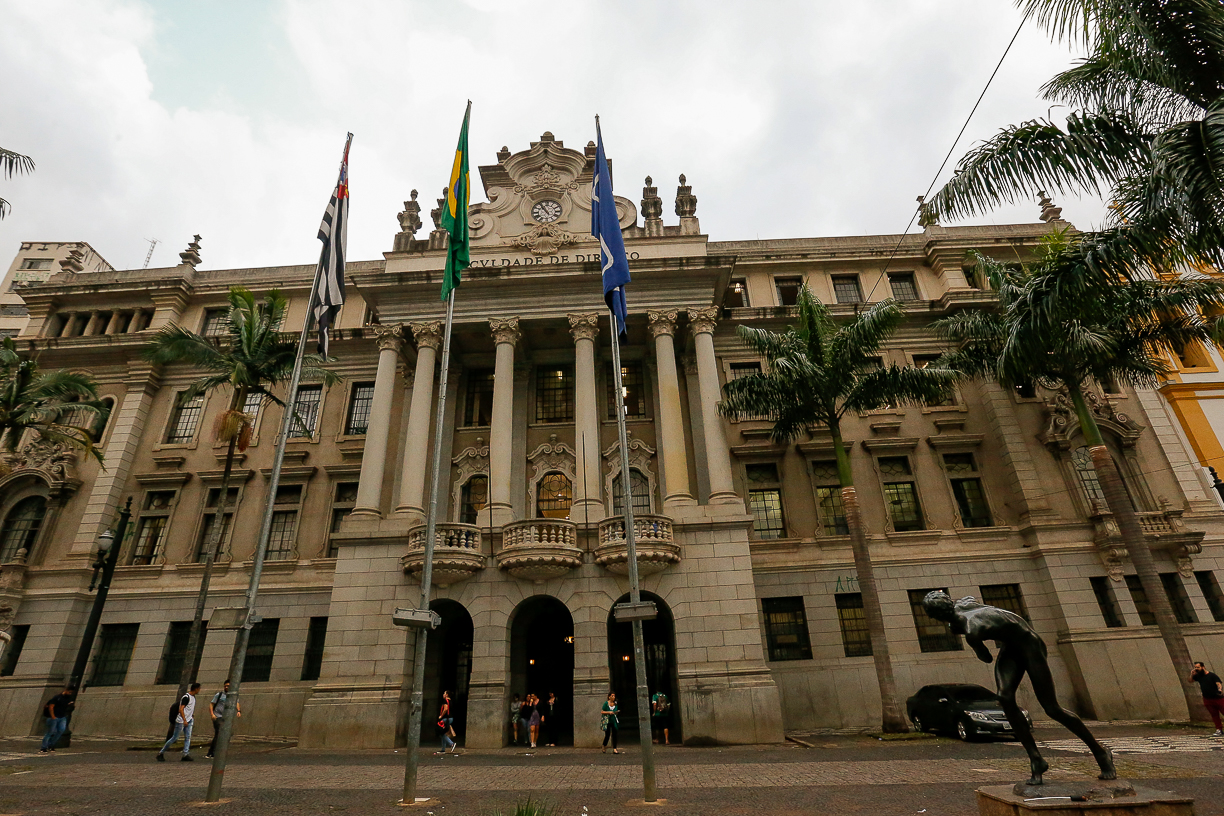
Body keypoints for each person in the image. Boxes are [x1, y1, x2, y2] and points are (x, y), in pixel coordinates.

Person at [923, 592, 1114, 785]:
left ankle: (1100, 751)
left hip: (1031, 646)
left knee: (1052, 708)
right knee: (1004, 698)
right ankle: (1036, 759)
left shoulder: (973, 630)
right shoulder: (964, 604)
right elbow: (972, 600)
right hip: (1011, 647)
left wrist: (965, 635)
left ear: (937, 617)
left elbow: (986, 658)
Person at [157, 682, 200, 762]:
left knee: (188, 737)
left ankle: (185, 754)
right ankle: (161, 752)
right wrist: (184, 720)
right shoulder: (186, 697)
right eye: (199, 689)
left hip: (189, 719)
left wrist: (190, 716)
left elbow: (189, 709)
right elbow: (181, 709)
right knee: (175, 737)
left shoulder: (193, 698)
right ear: (196, 689)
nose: (199, 690)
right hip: (181, 721)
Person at [205, 679, 240, 759]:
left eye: (228, 686)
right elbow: (211, 704)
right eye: (225, 686)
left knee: (224, 734)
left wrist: (238, 711)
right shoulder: (219, 695)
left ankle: (215, 751)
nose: (226, 687)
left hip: (226, 718)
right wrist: (212, 714)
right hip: (217, 716)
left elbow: (237, 703)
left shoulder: (234, 696)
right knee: (219, 733)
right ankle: (212, 752)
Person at [38, 685, 76, 755]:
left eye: (71, 693)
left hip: (62, 717)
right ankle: (44, 747)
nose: (70, 694)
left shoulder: (68, 698)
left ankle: (51, 745)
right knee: (50, 732)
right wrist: (53, 716)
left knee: (61, 731)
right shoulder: (57, 697)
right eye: (69, 692)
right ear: (66, 690)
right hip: (55, 717)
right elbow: (51, 707)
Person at [1190, 662, 1224, 736]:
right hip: (1207, 698)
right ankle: (1219, 729)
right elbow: (1190, 681)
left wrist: (1220, 690)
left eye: (1198, 667)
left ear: (1203, 667)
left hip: (1217, 698)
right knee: (1214, 714)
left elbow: (1218, 683)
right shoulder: (1198, 676)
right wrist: (1192, 674)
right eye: (1195, 667)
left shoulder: (1212, 675)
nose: (1196, 669)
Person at [435, 690, 457, 754]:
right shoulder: (451, 701)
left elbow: (445, 709)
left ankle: (451, 744)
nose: (443, 694)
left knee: (440, 732)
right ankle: (443, 749)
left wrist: (441, 716)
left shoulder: (445, 701)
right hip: (450, 718)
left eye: (444, 693)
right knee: (443, 733)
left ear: (447, 695)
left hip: (446, 719)